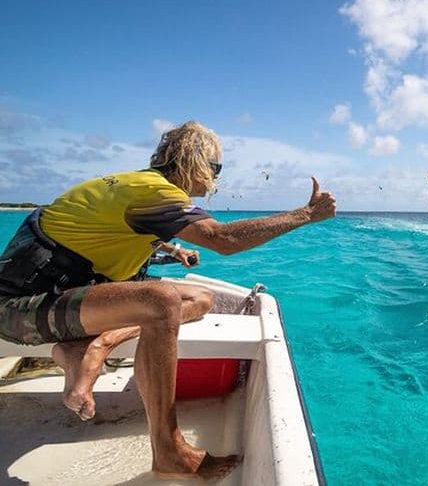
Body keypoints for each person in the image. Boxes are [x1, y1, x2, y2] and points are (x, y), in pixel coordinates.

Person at [0, 121, 336, 480]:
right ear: (195, 162)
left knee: (201, 297)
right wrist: (305, 215)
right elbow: (222, 239)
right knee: (161, 301)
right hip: (20, 309)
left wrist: (173, 249)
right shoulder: (155, 193)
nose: (216, 179)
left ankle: (95, 344)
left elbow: (119, 232)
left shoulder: (134, 185)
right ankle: (168, 449)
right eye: (216, 168)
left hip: (68, 295)